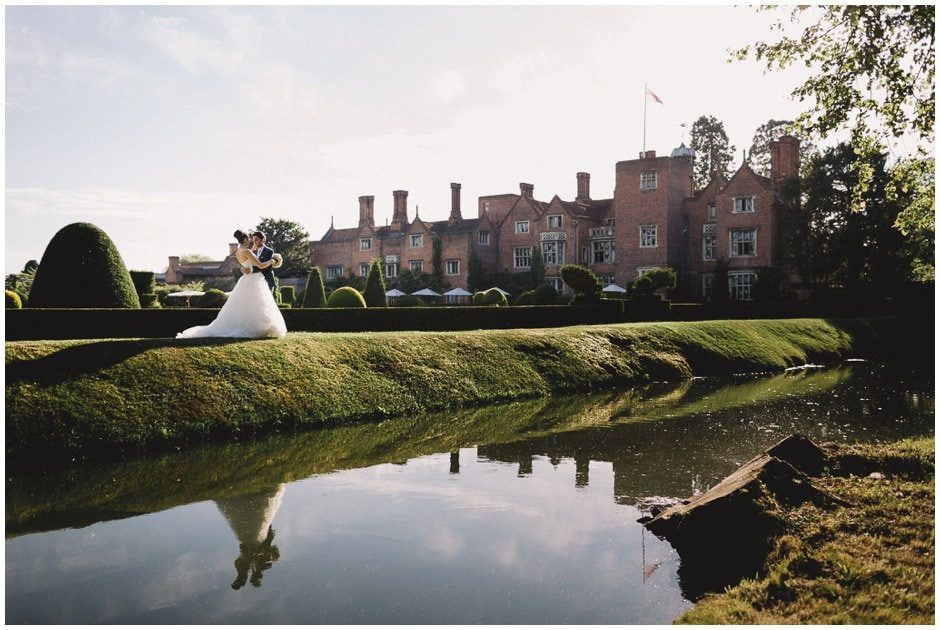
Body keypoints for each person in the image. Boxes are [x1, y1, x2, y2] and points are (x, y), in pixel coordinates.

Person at [176, 230, 287, 339]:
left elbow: (247, 264)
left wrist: (246, 267)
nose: (251, 241)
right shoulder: (248, 251)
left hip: (246, 279)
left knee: (247, 304)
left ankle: (257, 326)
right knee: (258, 303)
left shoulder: (238, 252)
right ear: (245, 239)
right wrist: (272, 261)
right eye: (249, 238)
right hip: (254, 279)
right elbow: (261, 265)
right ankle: (259, 327)